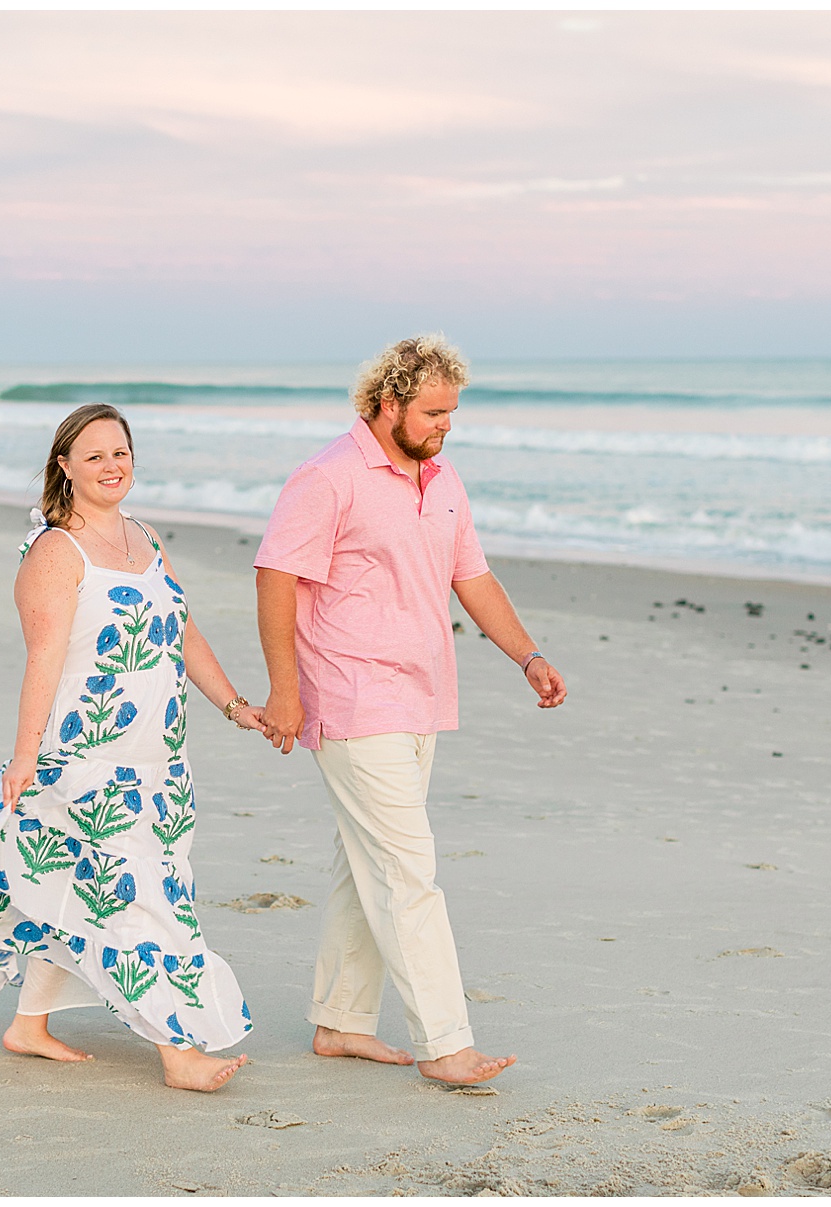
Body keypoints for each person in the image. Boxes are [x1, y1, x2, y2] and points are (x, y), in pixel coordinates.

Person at [0, 403, 267, 1092]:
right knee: (135, 900)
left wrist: (232, 705)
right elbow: (43, 658)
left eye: (121, 452)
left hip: (160, 759)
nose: (112, 465)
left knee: (78, 893)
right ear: (65, 466)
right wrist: (25, 756)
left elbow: (183, 631)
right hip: (90, 762)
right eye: (95, 454)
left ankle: (29, 1026)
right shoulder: (56, 551)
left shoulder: (145, 537)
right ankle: (179, 1051)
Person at [252, 335, 567, 1086]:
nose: (445, 425)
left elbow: (473, 576)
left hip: (422, 695)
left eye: (452, 412)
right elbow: (274, 577)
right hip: (352, 694)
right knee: (406, 870)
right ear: (387, 404)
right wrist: (285, 692)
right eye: (432, 412)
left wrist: (527, 655)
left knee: (365, 865)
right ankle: (445, 1042)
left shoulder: (443, 477)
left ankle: (340, 1020)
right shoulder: (328, 477)